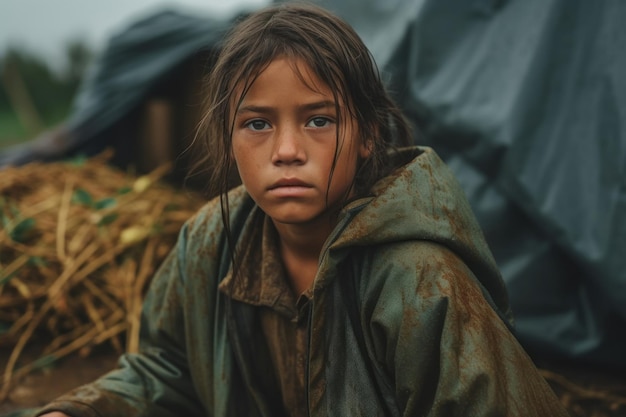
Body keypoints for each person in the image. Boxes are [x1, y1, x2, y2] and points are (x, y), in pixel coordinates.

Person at [36, 3, 568, 416]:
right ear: (227, 137)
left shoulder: (422, 284)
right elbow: (168, 369)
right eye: (258, 124)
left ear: (366, 136)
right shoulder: (209, 244)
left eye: (318, 120)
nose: (286, 150)